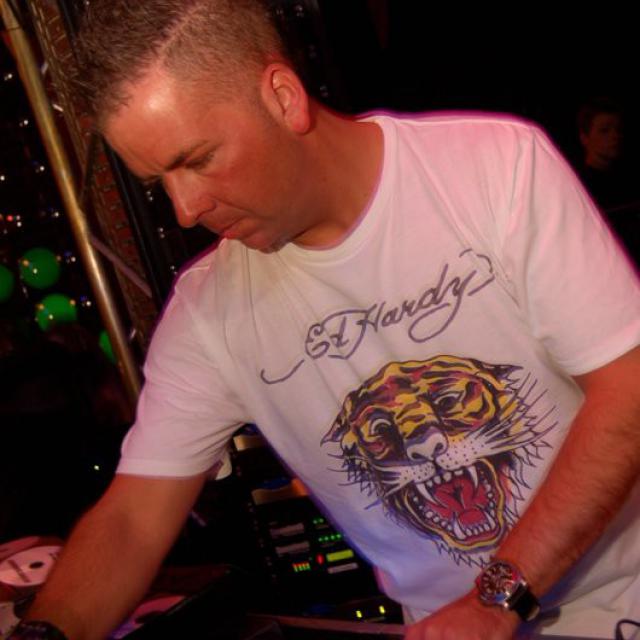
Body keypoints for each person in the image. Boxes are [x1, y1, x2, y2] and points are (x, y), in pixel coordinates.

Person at [10, 1, 640, 639]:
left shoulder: (493, 168)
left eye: (197, 159)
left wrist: (495, 596)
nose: (185, 208)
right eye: (159, 182)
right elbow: (133, 518)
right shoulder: (208, 312)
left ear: (283, 97)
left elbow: (628, 391)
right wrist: (43, 634)